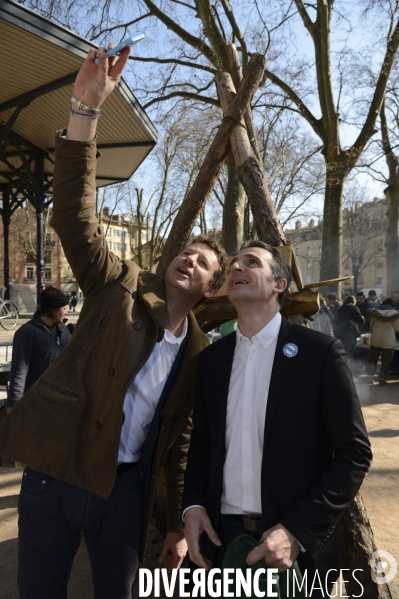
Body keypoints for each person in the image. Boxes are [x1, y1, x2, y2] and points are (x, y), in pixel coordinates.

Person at [0, 45, 228, 599]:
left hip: (124, 492)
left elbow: (180, 444)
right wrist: (85, 110)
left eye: (204, 262)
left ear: (210, 290)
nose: (189, 259)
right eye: (186, 252)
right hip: (54, 473)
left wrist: (174, 523)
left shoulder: (200, 353)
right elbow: (74, 219)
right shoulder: (118, 281)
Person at [183, 240, 371, 598]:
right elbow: (203, 442)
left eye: (251, 262)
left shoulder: (319, 353)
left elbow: (354, 453)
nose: (236, 268)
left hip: (293, 553)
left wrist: (297, 531)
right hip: (222, 542)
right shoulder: (211, 361)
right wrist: (192, 506)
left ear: (278, 285)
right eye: (234, 264)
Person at [7, 287, 70, 412]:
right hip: (36, 403)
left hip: (61, 401)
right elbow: (19, 370)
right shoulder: (27, 333)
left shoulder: (64, 330)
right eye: (64, 309)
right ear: (52, 310)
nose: (67, 312)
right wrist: (14, 404)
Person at [368, 298, 399, 385]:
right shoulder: (395, 314)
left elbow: (371, 325)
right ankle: (382, 379)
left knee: (373, 358)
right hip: (388, 339)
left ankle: (370, 378)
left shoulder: (375, 312)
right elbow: (397, 328)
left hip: (376, 337)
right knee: (386, 360)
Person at [333, 295, 364, 375]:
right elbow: (361, 320)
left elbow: (336, 321)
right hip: (350, 334)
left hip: (340, 334)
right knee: (351, 354)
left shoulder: (341, 308)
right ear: (354, 301)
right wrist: (363, 318)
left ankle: (342, 372)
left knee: (342, 353)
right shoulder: (353, 307)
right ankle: (353, 374)